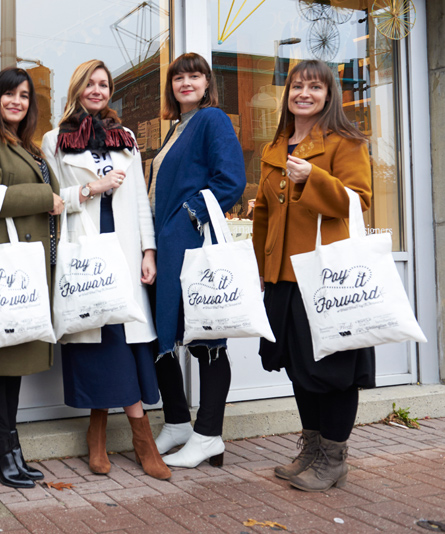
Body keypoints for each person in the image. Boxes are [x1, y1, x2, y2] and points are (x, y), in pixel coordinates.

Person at [41, 59, 170, 480]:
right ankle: (141, 439)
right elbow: (55, 199)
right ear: (77, 88)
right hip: (88, 255)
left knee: (123, 340)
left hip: (126, 251)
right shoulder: (54, 140)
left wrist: (149, 251)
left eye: (104, 84)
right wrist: (91, 188)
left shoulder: (126, 138)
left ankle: (101, 436)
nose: (97, 90)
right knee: (103, 341)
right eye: (90, 84)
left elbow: (137, 200)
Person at [252, 59, 375, 492]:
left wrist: (315, 178)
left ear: (329, 95)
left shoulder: (345, 141)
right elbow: (264, 216)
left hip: (327, 278)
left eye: (315, 87)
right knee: (299, 368)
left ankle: (334, 456)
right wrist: (263, 271)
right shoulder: (276, 147)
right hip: (284, 278)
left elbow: (359, 201)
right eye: (297, 87)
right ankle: (311, 447)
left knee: (334, 371)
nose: (304, 93)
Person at [0, 67, 64, 489]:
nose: (17, 102)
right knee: (0, 365)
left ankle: (2, 448)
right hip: (7, 269)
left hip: (28, 269)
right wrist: (46, 198)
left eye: (24, 96)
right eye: (10, 94)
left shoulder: (30, 147)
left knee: (14, 365)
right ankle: (1, 447)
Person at [149, 53, 246, 468]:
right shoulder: (176, 128)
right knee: (163, 332)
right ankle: (177, 421)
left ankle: (209, 433)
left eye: (195, 76)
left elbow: (231, 181)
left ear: (208, 83)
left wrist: (189, 216)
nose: (186, 82)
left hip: (191, 244)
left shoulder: (212, 120)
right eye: (178, 77)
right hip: (168, 247)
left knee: (208, 334)